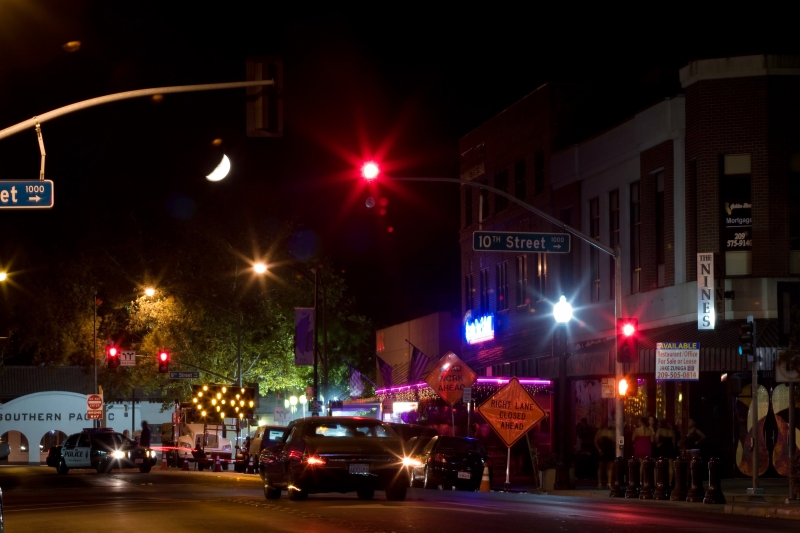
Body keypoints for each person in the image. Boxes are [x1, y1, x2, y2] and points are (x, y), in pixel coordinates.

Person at [654, 420, 677, 484]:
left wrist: (658, 445)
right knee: (670, 465)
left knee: (658, 464)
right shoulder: (672, 432)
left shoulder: (660, 430)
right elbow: (674, 442)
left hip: (662, 447)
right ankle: (670, 481)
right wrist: (673, 449)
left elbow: (656, 438)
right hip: (670, 447)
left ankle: (657, 481)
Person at [594, 420, 616, 489]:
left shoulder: (612, 431)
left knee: (610, 467)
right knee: (601, 466)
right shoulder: (600, 431)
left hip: (610, 449)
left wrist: (611, 437)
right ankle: (599, 482)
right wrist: (599, 449)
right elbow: (595, 441)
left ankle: (609, 483)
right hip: (602, 449)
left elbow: (615, 441)